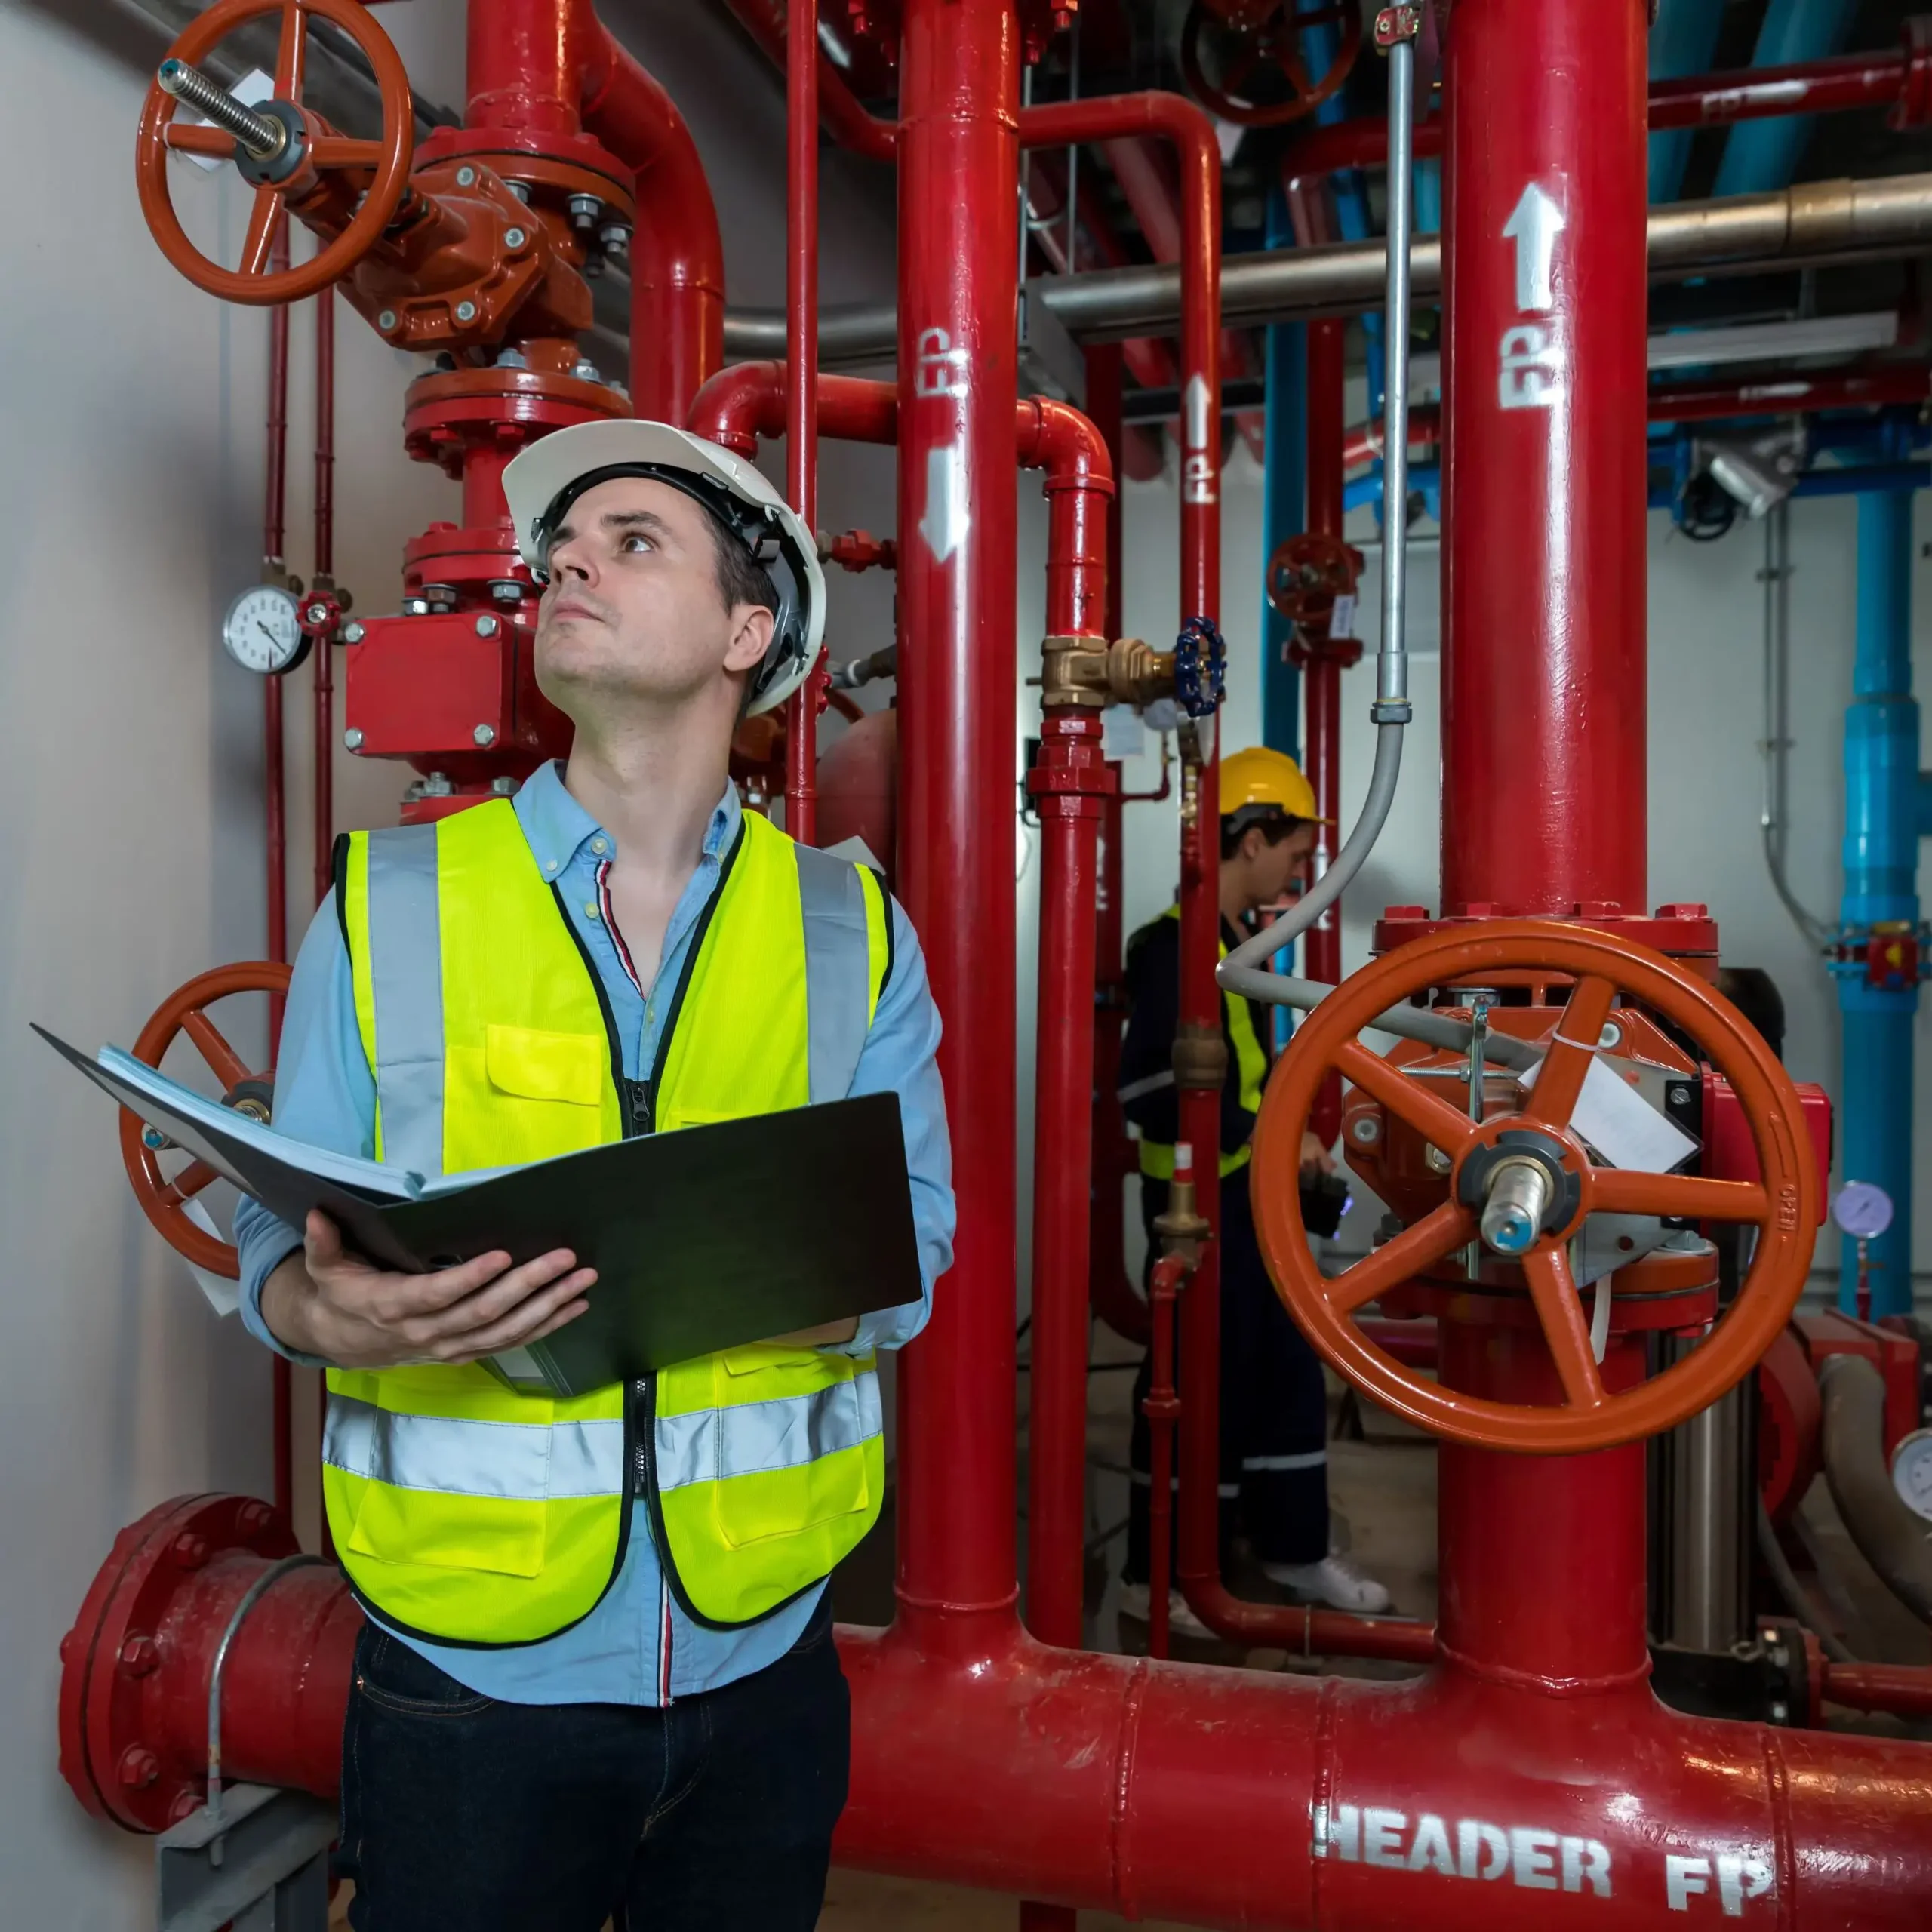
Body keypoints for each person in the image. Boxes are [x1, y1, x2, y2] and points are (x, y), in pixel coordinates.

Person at [233, 420, 955, 1932]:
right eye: (564, 542)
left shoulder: (850, 931)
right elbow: (270, 1242)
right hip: (468, 1673)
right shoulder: (391, 902)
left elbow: (915, 1245)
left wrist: (757, 1279)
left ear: (746, 633)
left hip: (762, 1651)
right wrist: (328, 1313)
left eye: (633, 541)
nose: (568, 557)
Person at [1115, 744, 1389, 1636]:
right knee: (1195, 1382)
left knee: (1281, 1374)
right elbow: (1144, 1090)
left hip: (1251, 1204)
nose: (1299, 871)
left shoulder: (1238, 951)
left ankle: (1288, 1546)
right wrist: (1265, 1132)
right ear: (1249, 837)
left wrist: (1286, 1143)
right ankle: (1153, 1575)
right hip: (1196, 1214)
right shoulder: (1172, 951)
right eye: (1292, 851)